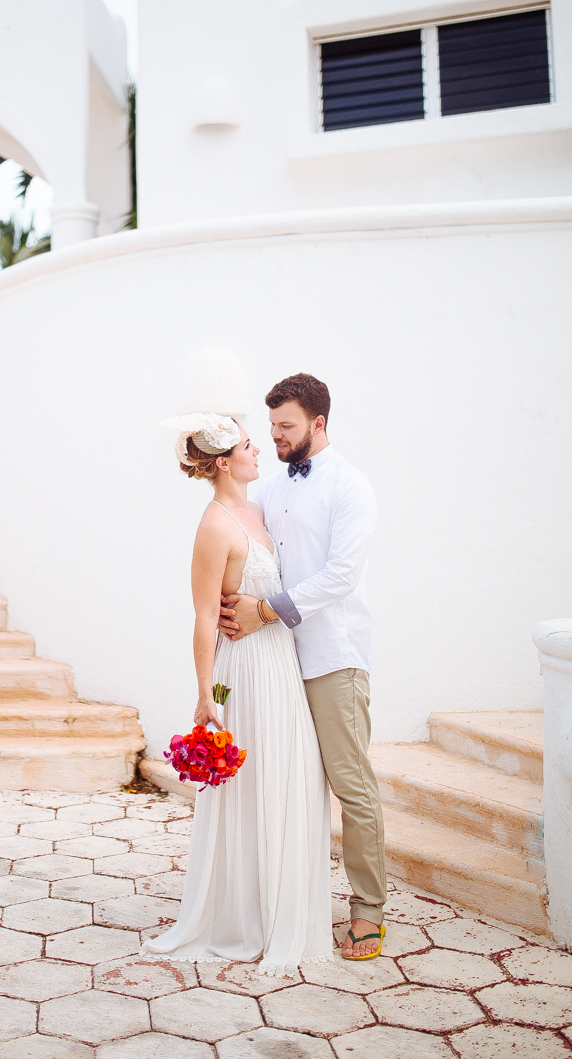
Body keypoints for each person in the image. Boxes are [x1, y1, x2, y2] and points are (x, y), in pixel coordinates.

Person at [144, 412, 332, 975]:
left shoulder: (257, 508)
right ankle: (245, 913)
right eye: (251, 445)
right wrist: (205, 693)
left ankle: (284, 903)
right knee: (251, 786)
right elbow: (204, 616)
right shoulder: (215, 525)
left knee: (290, 776)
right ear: (225, 462)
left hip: (280, 661)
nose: (260, 451)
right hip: (243, 669)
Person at [219, 374, 386, 960]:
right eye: (271, 428)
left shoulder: (351, 487)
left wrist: (265, 609)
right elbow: (245, 539)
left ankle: (368, 911)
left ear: (318, 422)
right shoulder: (270, 487)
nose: (277, 437)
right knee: (288, 783)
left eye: (287, 426)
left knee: (350, 784)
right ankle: (283, 900)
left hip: (332, 656)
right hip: (277, 663)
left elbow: (341, 575)